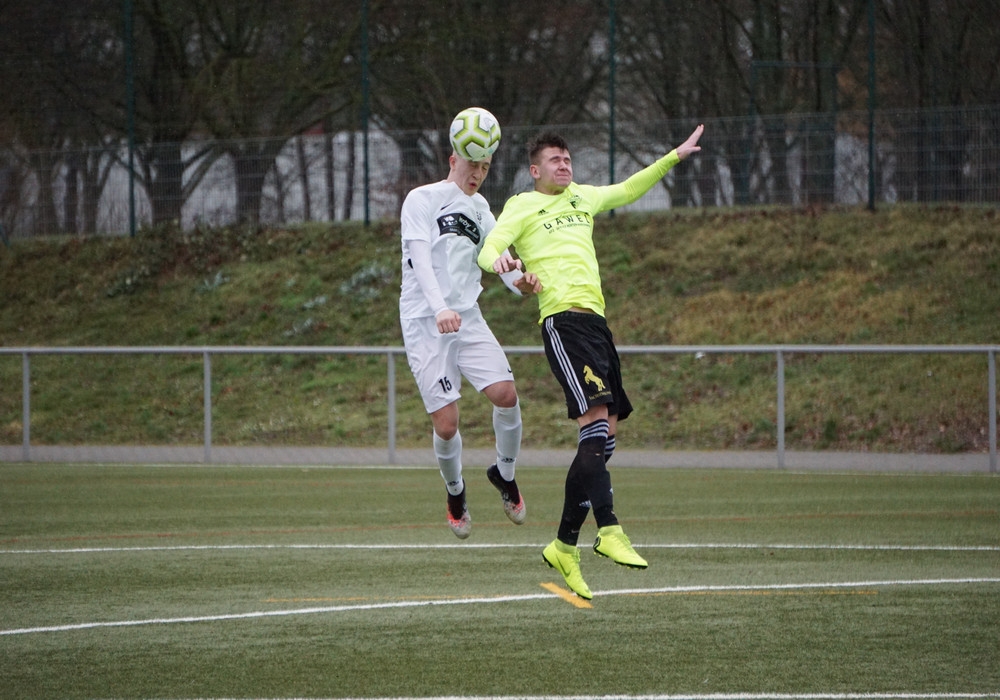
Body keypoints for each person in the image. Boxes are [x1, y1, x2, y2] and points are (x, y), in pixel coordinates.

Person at [477, 124, 704, 598]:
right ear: (535, 170)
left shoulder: (582, 197)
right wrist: (503, 264)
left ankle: (564, 545)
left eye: (568, 159)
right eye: (555, 160)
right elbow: (489, 249)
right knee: (595, 424)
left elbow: (628, 189)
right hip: (563, 323)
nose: (565, 165)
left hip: (598, 325)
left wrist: (673, 157)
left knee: (603, 439)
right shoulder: (522, 205)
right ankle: (609, 528)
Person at [399, 121, 542, 539]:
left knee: (506, 395)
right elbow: (419, 259)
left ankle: (504, 474)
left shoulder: (481, 210)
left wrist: (521, 282)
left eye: (485, 166)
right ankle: (455, 491)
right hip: (426, 320)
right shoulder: (422, 199)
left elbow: (501, 263)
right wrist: (439, 307)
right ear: (453, 159)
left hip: (467, 316)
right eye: (472, 164)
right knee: (447, 425)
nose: (478, 173)